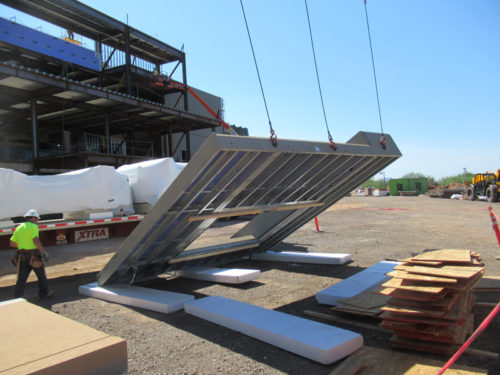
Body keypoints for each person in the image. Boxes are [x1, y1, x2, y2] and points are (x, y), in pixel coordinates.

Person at [10, 209, 52, 300]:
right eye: (36, 218)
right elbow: (36, 240)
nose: (37, 220)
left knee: (21, 279)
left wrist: (23, 247)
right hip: (34, 256)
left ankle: (18, 298)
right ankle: (44, 295)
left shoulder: (19, 227)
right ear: (32, 217)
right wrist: (42, 252)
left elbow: (12, 243)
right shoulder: (33, 226)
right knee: (41, 276)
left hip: (22, 257)